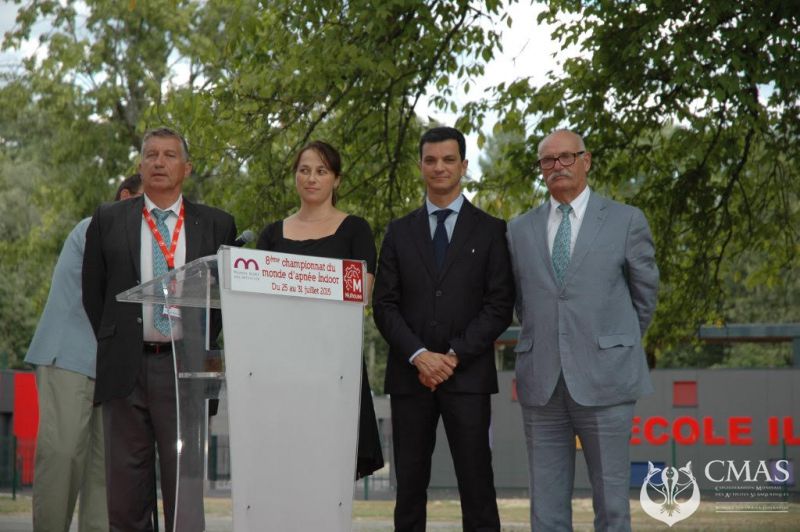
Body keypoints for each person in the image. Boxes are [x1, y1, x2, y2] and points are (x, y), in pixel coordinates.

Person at [82, 127, 237, 531]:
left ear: (187, 168)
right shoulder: (108, 219)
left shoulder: (218, 224)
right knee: (125, 493)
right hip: (126, 370)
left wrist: (195, 340)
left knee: (184, 492)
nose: (159, 162)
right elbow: (94, 293)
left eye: (169, 155)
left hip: (186, 369)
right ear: (140, 165)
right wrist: (120, 340)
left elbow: (223, 304)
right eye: (151, 154)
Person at [506, 129, 659, 531]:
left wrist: (612, 343)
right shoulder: (518, 230)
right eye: (548, 160)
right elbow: (522, 302)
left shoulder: (626, 220)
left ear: (586, 161)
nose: (557, 166)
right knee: (546, 510)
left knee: (612, 506)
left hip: (607, 380)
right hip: (542, 383)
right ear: (541, 169)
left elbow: (644, 298)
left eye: (567, 157)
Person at [373, 126, 515, 532]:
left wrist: (453, 356)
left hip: (468, 377)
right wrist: (419, 356)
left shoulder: (491, 229)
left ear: (463, 165)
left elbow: (499, 306)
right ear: (420, 165)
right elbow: (384, 305)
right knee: (409, 490)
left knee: (478, 487)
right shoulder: (398, 231)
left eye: (449, 159)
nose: (440, 167)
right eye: (431, 160)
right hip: (409, 377)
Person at [256, 140, 384, 479]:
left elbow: (361, 292)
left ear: (336, 180)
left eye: (321, 171)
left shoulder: (356, 229)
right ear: (295, 176)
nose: (311, 178)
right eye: (304, 170)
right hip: (283, 370)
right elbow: (259, 304)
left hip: (335, 366)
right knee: (287, 472)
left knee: (333, 473)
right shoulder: (270, 235)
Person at [25, 174, 142, 532]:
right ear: (126, 197)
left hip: (108, 371)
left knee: (104, 474)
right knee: (62, 459)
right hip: (69, 359)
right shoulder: (95, 227)